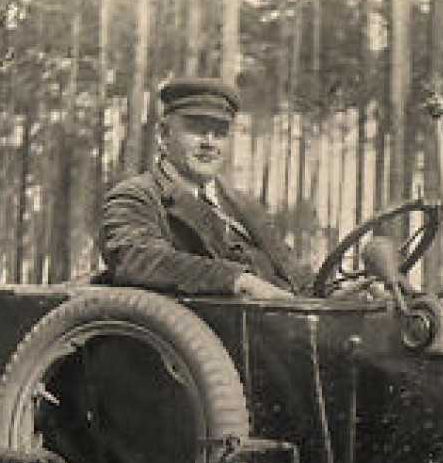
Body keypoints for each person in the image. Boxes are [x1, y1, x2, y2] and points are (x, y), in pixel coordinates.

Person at [99, 78, 311, 299]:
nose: (210, 143)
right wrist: (238, 280)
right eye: (197, 129)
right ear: (163, 134)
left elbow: (294, 272)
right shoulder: (137, 196)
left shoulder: (243, 205)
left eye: (220, 132)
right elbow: (137, 258)